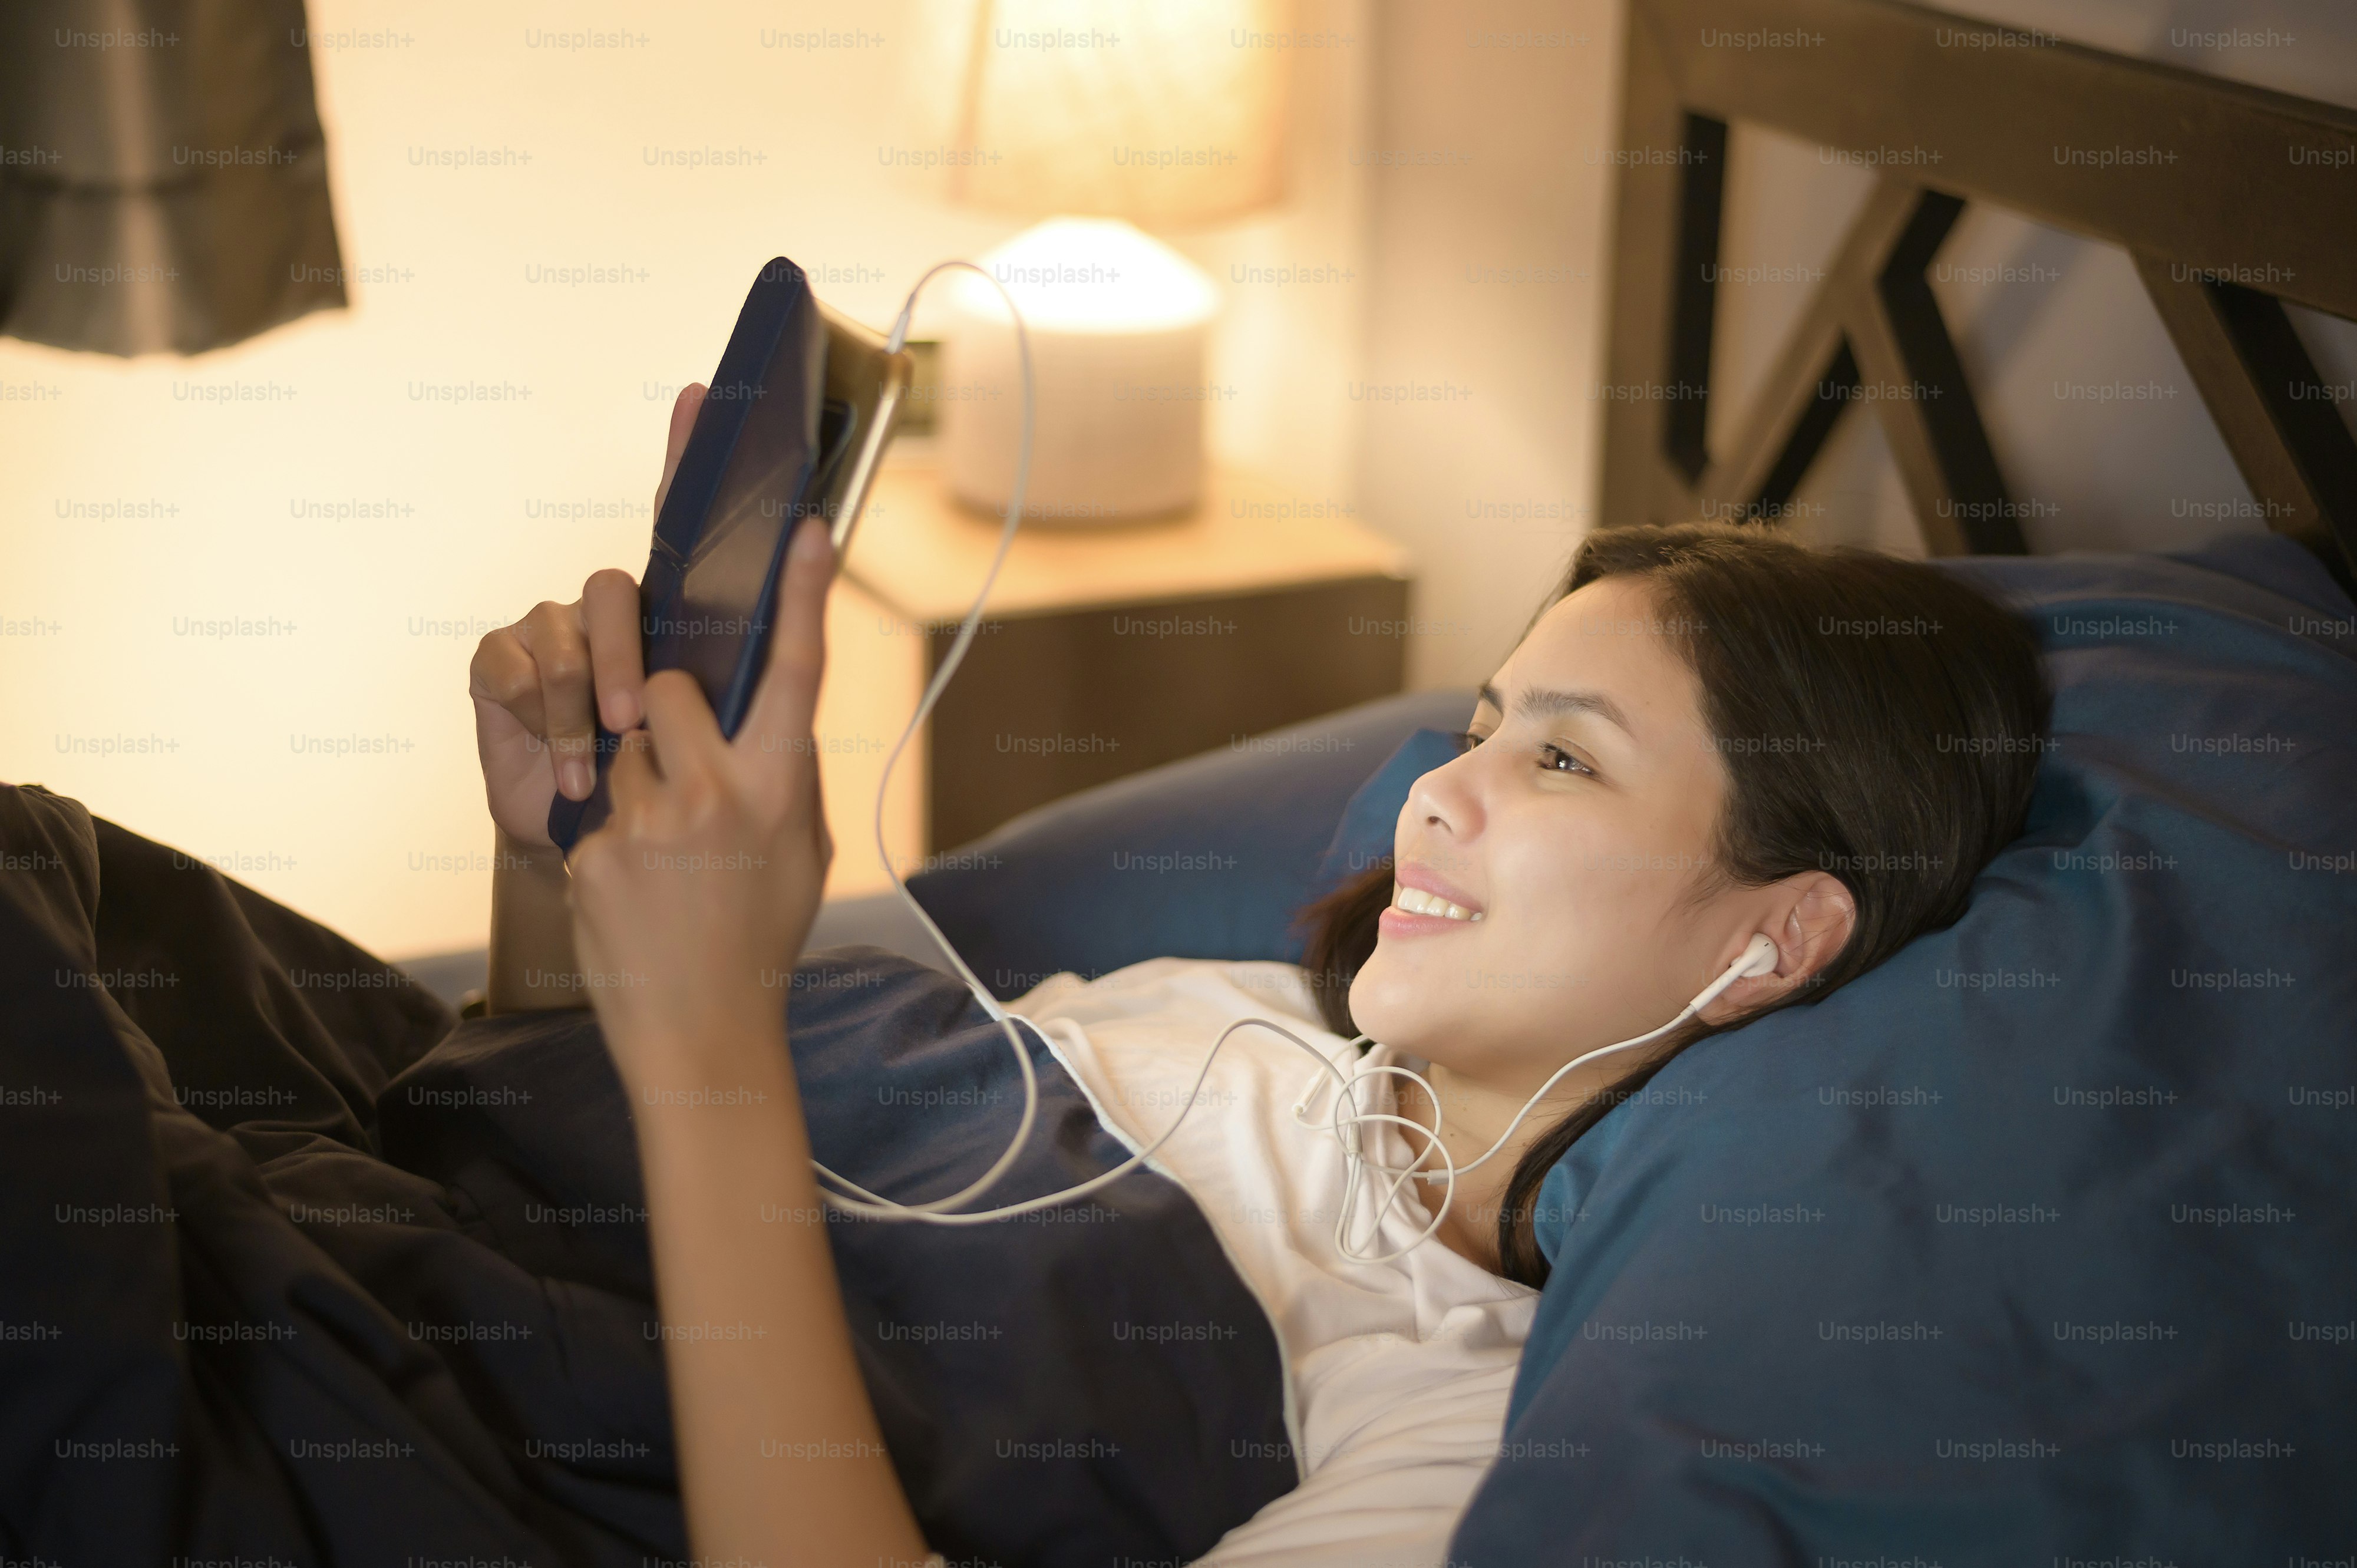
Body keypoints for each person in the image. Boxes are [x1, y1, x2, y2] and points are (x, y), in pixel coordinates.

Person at [463, 385, 2051, 1564]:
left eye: (1565, 758)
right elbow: (526, 1125)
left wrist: (712, 1045)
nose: (1438, 790)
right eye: (1487, 722)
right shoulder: (1230, 1012)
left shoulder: (1459, 1416)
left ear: (1771, 936)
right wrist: (558, 858)